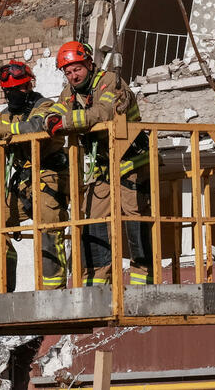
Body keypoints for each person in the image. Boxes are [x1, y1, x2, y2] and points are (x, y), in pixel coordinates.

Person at [43, 41, 153, 287]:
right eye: (68, 72)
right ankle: (96, 282)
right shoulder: (70, 93)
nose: (73, 76)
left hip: (133, 163)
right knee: (93, 221)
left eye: (77, 69)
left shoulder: (111, 81)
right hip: (104, 167)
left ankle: (143, 280)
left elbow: (104, 112)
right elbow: (55, 112)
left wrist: (65, 122)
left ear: (90, 64)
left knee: (136, 220)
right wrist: (48, 118)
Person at [0, 60, 70, 295]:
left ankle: (53, 291)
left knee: (48, 228)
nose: (16, 93)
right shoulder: (4, 115)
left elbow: (36, 127)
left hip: (49, 178)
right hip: (23, 183)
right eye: (11, 90)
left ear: (30, 86)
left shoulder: (46, 106)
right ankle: (1, 280)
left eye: (21, 88)